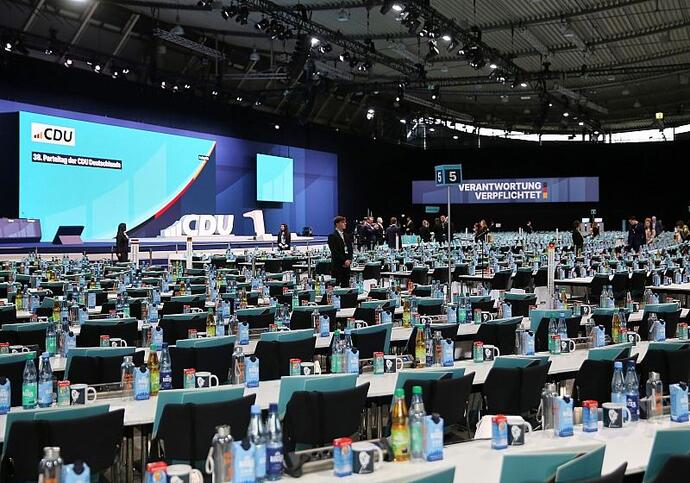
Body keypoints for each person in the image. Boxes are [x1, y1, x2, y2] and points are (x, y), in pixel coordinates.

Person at [327, 216, 353, 287]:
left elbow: (350, 249)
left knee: (346, 285)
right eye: (342, 222)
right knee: (336, 286)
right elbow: (334, 251)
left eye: (345, 222)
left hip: (347, 266)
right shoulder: (332, 236)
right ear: (337, 224)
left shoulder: (346, 235)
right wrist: (344, 261)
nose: (345, 223)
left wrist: (349, 260)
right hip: (338, 265)